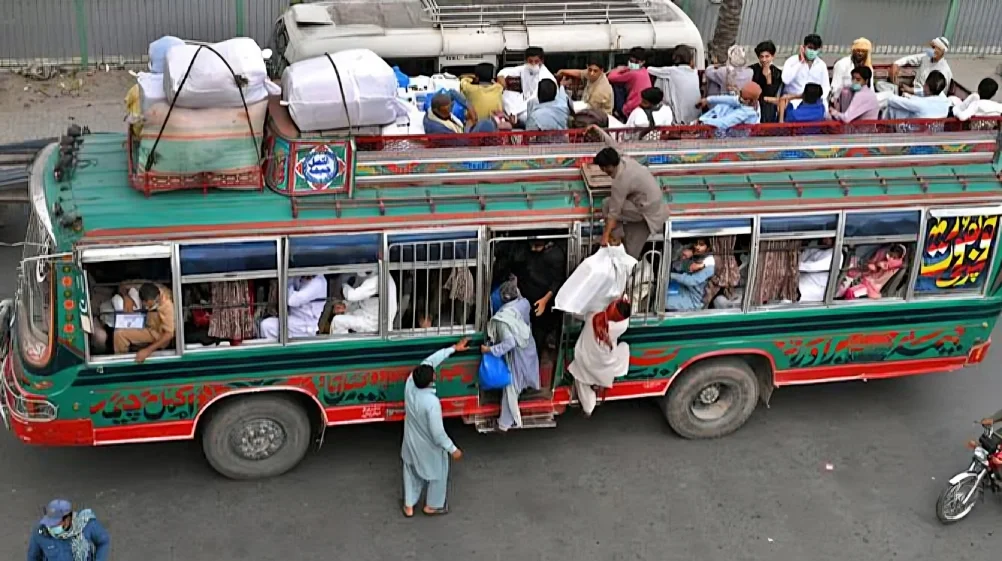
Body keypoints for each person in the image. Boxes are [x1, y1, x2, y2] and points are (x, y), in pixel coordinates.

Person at [401, 337, 469, 517]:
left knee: (410, 470)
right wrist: (453, 449)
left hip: (409, 441)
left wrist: (453, 348)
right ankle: (432, 505)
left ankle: (409, 505)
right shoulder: (431, 403)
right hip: (428, 448)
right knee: (438, 474)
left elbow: (430, 361)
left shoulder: (410, 383)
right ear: (432, 380)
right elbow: (438, 434)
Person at [588, 124, 669, 260]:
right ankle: (617, 237)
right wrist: (597, 130)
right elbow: (611, 143)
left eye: (603, 168)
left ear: (609, 166)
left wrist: (605, 238)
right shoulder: (622, 158)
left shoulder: (621, 180)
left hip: (647, 212)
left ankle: (615, 239)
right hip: (647, 203)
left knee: (630, 251)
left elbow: (614, 212)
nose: (602, 172)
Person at [482, 276, 540, 431]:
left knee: (511, 388)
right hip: (528, 345)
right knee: (515, 385)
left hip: (517, 354)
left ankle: (505, 424)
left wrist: (489, 350)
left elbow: (509, 343)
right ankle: (505, 421)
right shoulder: (524, 303)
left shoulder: (502, 319)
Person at [567, 297, 631, 417]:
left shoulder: (593, 315)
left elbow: (576, 314)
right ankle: (592, 400)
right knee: (624, 347)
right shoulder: (622, 325)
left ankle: (588, 408)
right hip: (606, 361)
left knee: (581, 379)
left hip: (585, 358)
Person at [519, 239, 567, 350]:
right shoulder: (527, 253)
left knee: (538, 336)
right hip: (528, 297)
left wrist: (544, 301)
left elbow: (557, 282)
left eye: (536, 246)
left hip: (542, 303)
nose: (532, 249)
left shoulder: (555, 256)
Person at [27, 499, 110, 561]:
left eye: (55, 523)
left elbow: (103, 541)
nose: (50, 527)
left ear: (67, 519)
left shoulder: (87, 525)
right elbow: (33, 557)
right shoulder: (40, 532)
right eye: (49, 522)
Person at [112, 282, 174, 363]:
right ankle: (120, 361)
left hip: (157, 334)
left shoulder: (167, 306)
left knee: (121, 334)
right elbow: (122, 285)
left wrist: (147, 351)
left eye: (150, 305)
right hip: (144, 323)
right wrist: (126, 297)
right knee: (118, 334)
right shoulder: (141, 287)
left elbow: (169, 334)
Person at [330, 270, 398, 335]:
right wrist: (345, 306)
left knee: (337, 322)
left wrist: (343, 285)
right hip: (367, 315)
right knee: (345, 315)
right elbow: (361, 299)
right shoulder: (370, 276)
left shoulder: (379, 279)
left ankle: (343, 347)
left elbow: (352, 295)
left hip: (373, 324)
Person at [648, 44, 702, 125]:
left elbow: (650, 70)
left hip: (681, 118)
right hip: (696, 115)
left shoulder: (672, 71)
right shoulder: (694, 71)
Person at [261, 275, 327, 340]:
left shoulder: (318, 282)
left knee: (266, 325)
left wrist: (289, 285)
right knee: (264, 323)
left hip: (305, 326)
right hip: (292, 319)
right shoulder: (299, 276)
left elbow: (292, 301)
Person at [837, 244, 907, 300]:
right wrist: (873, 265)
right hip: (865, 280)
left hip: (872, 287)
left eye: (894, 257)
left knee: (851, 292)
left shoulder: (898, 264)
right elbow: (873, 264)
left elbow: (891, 265)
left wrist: (881, 264)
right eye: (891, 255)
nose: (891, 258)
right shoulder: (883, 256)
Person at [667, 238, 715, 311]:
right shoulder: (696, 258)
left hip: (695, 300)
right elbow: (678, 267)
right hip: (685, 290)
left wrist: (671, 276)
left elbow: (692, 280)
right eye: (696, 244)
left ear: (708, 248)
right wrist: (683, 258)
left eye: (701, 245)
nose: (697, 247)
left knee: (665, 301)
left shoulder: (710, 266)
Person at [697, 81, 763, 131]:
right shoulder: (751, 102)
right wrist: (707, 100)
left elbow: (723, 123)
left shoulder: (746, 113)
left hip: (735, 139)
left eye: (741, 94)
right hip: (729, 128)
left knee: (724, 107)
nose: (738, 96)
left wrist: (701, 121)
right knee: (724, 104)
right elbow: (730, 99)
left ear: (748, 100)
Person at [782, 34, 830, 101]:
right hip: (792, 100)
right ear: (803, 47)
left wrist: (820, 99)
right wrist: (800, 62)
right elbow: (786, 80)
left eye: (815, 49)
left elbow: (826, 87)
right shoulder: (792, 61)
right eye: (810, 48)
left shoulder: (821, 65)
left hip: (813, 102)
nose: (812, 51)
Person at [608, 47, 652, 119]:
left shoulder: (633, 73)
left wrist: (621, 69)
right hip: (641, 105)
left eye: (636, 62)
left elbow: (611, 77)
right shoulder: (644, 71)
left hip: (630, 108)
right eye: (631, 61)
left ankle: (618, 112)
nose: (633, 64)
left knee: (617, 85)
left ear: (643, 62)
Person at [885, 70, 950, 119]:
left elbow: (892, 100)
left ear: (926, 85)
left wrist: (888, 95)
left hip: (912, 130)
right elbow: (924, 92)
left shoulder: (921, 104)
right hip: (929, 129)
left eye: (925, 84)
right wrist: (910, 91)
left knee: (891, 108)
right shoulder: (944, 100)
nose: (923, 85)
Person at [422, 92, 497, 135]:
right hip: (462, 142)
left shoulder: (433, 109)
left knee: (491, 122)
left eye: (451, 105)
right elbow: (461, 142)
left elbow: (452, 93)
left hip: (463, 129)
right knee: (487, 125)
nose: (450, 109)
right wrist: (468, 125)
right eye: (448, 107)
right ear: (437, 109)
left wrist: (469, 107)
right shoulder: (437, 128)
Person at [831, 37, 873, 107]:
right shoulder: (842, 64)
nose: (860, 53)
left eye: (863, 51)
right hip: (845, 98)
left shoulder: (868, 67)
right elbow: (835, 88)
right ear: (853, 51)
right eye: (858, 50)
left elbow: (871, 89)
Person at [750, 40, 783, 123]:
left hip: (767, 104)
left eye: (767, 56)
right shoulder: (752, 70)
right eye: (761, 56)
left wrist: (768, 78)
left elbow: (771, 95)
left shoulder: (777, 73)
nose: (764, 60)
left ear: (772, 56)